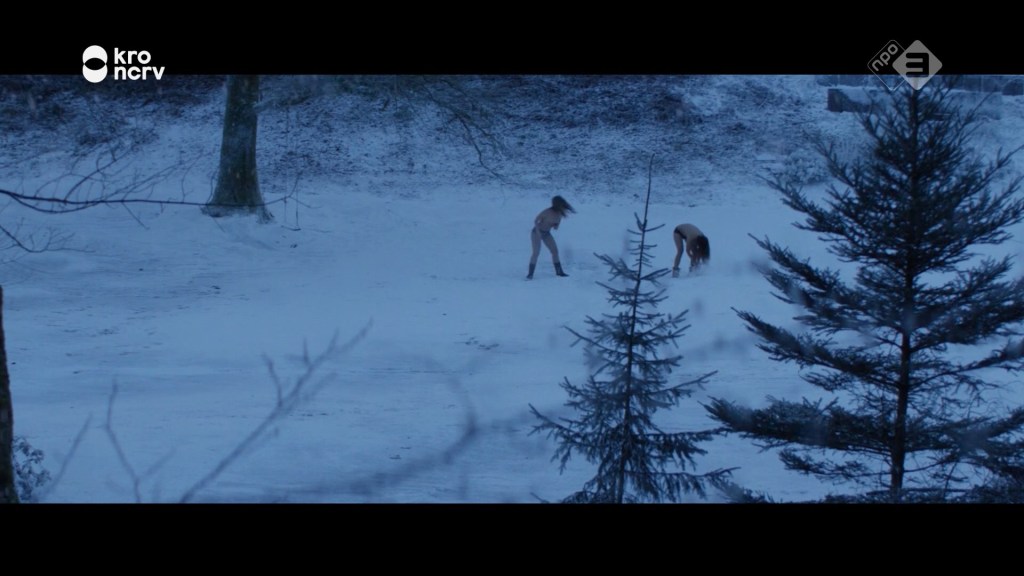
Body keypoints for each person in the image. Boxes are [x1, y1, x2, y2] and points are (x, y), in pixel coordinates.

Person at [527, 196, 575, 279]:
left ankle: (559, 272)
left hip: (546, 233)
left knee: (555, 251)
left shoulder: (559, 214)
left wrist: (556, 225)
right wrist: (538, 232)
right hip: (536, 233)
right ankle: (530, 274)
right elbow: (536, 220)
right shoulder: (547, 211)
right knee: (536, 253)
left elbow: (556, 227)